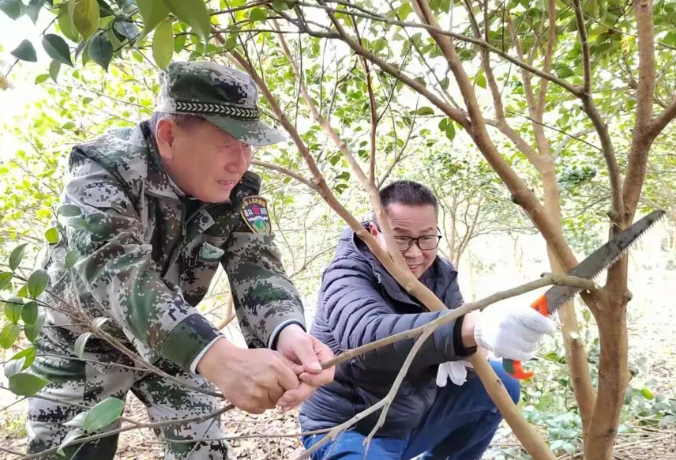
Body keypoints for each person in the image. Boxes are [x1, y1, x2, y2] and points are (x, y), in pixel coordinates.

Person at [27, 61, 334, 460]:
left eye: (249, 145)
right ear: (169, 135)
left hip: (175, 341)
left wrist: (288, 334)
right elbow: (122, 277)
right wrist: (221, 359)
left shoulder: (238, 190)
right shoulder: (101, 170)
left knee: (204, 451)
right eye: (228, 143)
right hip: (82, 343)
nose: (241, 163)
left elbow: (258, 268)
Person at [299, 180, 556, 460]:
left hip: (410, 419)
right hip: (351, 429)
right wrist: (471, 329)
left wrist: (471, 350)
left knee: (501, 383)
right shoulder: (347, 273)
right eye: (400, 238)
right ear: (374, 233)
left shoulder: (440, 274)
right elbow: (369, 337)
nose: (414, 252)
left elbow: (461, 329)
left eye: (426, 238)